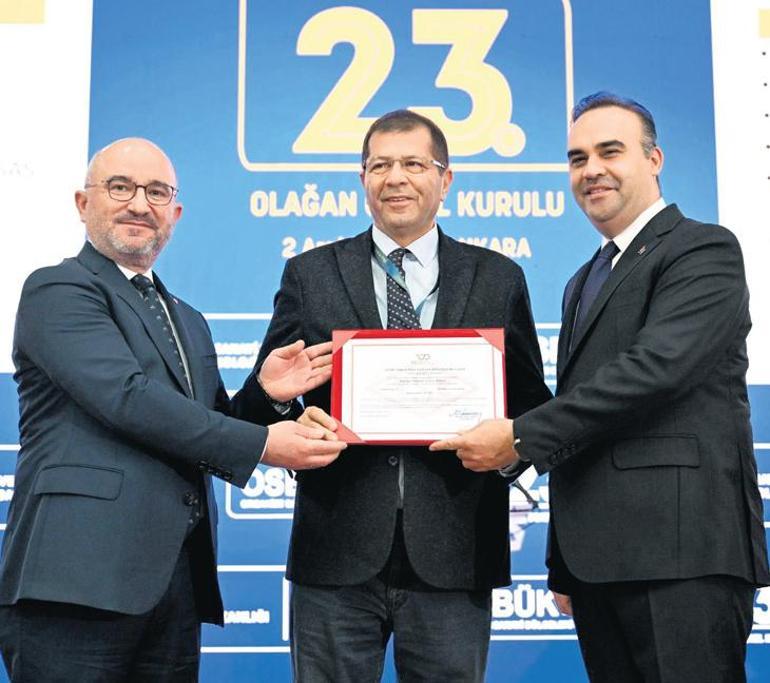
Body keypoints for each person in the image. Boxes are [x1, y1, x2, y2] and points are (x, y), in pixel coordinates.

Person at [431, 92, 770, 682]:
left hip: (682, 555)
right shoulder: (583, 279)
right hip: (597, 564)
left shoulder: (702, 248)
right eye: (577, 158)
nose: (591, 170)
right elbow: (581, 416)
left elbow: (653, 371)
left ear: (654, 159)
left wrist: (518, 437)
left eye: (610, 152)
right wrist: (563, 560)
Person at [0, 138, 346, 682]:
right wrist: (264, 445)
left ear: (175, 214)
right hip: (76, 581)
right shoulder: (58, 288)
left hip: (174, 586)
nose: (140, 204)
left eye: (157, 192)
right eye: (121, 187)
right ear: (82, 203)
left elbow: (208, 425)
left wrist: (266, 395)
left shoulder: (188, 319)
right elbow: (128, 397)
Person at [242, 109, 551, 681]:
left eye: (413, 163)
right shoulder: (310, 274)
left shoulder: (498, 277)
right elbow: (252, 411)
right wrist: (275, 397)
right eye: (380, 165)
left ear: (445, 179)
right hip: (335, 552)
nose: (396, 178)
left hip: (456, 549)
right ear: (362, 179)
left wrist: (508, 451)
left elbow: (532, 407)